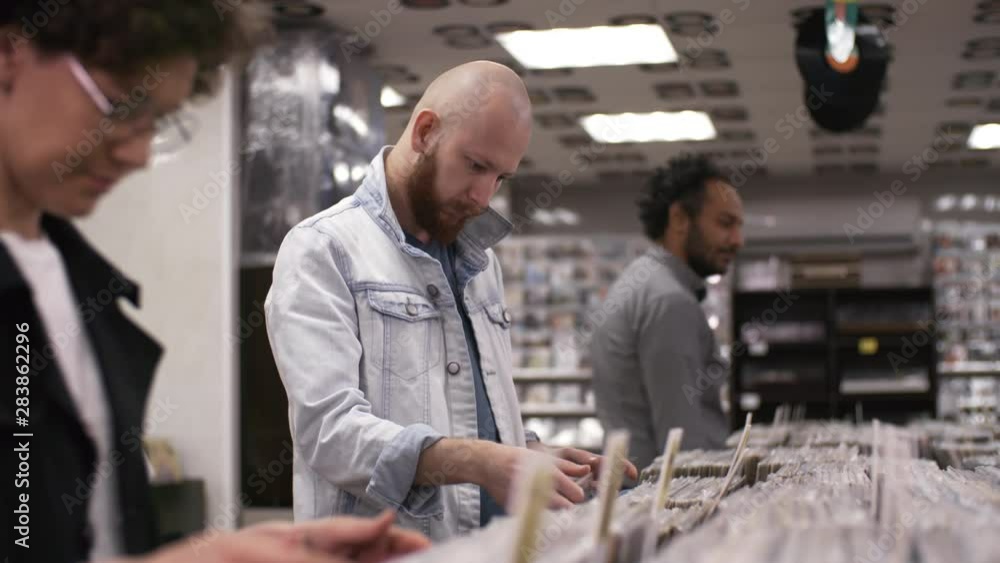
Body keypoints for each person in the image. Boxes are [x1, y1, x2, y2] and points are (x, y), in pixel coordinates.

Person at [0, 2, 427, 562]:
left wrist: (223, 553)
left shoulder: (77, 284)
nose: (138, 154)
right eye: (121, 105)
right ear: (9, 53)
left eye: (159, 122)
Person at [265, 60, 637, 542]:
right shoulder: (323, 249)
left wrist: (525, 451)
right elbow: (330, 435)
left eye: (501, 178)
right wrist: (483, 461)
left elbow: (464, 411)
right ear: (425, 132)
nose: (483, 197)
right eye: (476, 166)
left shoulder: (481, 263)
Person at [590, 155, 745, 472]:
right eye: (725, 223)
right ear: (679, 219)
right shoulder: (669, 301)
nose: (737, 241)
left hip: (635, 487)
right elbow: (681, 445)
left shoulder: (643, 281)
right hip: (663, 493)